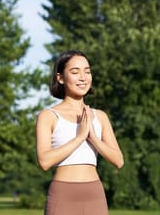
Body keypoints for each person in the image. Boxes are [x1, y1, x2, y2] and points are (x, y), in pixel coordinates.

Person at [36, 50, 124, 215]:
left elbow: (119, 161)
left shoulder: (100, 116)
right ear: (60, 78)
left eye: (87, 71)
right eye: (75, 72)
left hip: (94, 195)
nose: (83, 77)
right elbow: (44, 161)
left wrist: (93, 138)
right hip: (63, 194)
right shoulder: (48, 116)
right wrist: (80, 137)